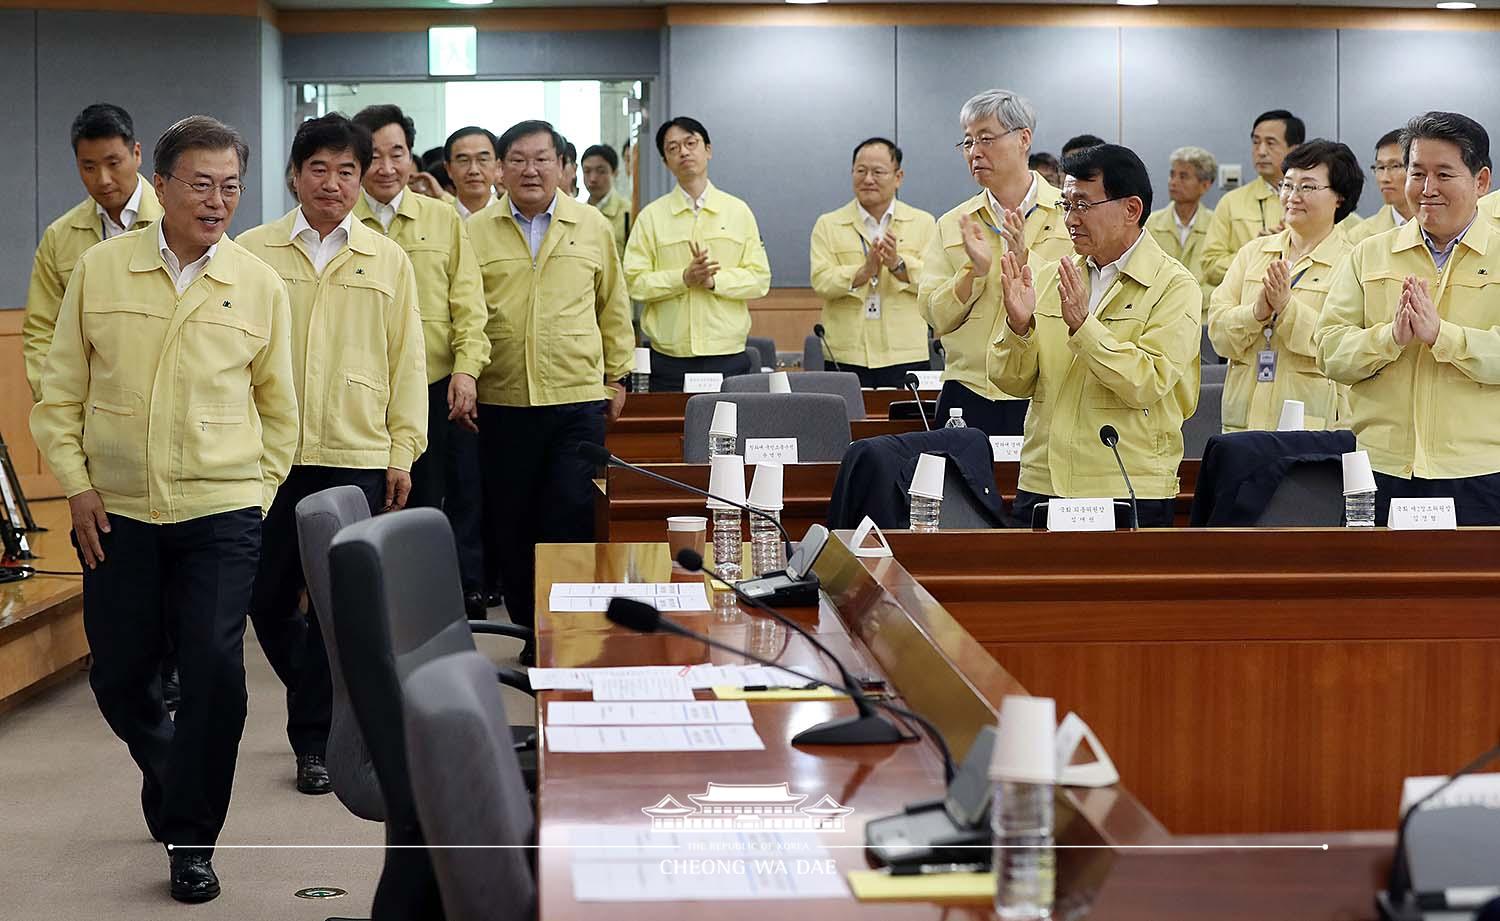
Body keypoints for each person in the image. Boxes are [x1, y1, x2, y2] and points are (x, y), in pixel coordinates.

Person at [30, 115, 299, 902]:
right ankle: (170, 762)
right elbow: (59, 391)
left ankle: (192, 840)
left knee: (217, 671)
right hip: (113, 509)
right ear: (166, 185)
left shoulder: (256, 282)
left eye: (231, 186)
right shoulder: (101, 271)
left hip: (221, 508)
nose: (218, 200)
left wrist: (255, 494)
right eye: (201, 183)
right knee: (118, 674)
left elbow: (280, 410)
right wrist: (76, 482)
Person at [236, 113, 427, 795]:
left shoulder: (387, 259)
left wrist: (402, 448)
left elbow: (409, 362)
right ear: (294, 174)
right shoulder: (251, 252)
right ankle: (335, 691)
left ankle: (314, 739)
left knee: (333, 604)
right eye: (320, 167)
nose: (335, 182)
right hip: (268, 452)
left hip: (354, 451)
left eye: (348, 169)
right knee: (262, 594)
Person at [467, 119, 633, 649]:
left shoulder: (591, 226)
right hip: (502, 399)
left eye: (542, 158)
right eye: (517, 159)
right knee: (512, 526)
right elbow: (464, 313)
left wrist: (617, 376)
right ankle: (530, 629)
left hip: (577, 400)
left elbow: (613, 306)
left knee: (569, 517)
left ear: (562, 166)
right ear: (499, 169)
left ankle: (564, 633)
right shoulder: (474, 231)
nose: (530, 170)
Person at [993, 144, 1201, 528]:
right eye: (1065, 205)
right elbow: (1011, 382)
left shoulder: (1174, 286)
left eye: (1083, 205)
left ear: (1131, 210)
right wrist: (1019, 329)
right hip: (1043, 478)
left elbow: (1148, 381)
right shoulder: (1051, 276)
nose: (1070, 219)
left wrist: (1083, 328)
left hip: (1126, 483)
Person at [1317, 111, 1500, 526]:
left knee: (1474, 592)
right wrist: (1389, 339)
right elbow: (1329, 352)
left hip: (1481, 471)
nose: (1427, 188)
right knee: (1377, 590)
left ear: (1481, 181)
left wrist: (1443, 337)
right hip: (1382, 470)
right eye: (1417, 173)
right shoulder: (1369, 253)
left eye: (1444, 174)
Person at [351, 104, 490, 616]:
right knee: (366, 502)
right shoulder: (341, 222)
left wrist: (466, 370)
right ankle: (372, 611)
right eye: (372, 156)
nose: (386, 167)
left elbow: (469, 307)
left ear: (412, 158)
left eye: (397, 154)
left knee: (425, 502)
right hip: (360, 392)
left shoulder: (443, 219)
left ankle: (423, 611)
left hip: (430, 388)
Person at [918, 88, 1074, 436]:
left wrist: (1024, 258)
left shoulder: (1069, 216)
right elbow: (933, 314)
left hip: (1048, 390)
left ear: (1024, 139)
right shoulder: (954, 223)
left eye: (986, 139)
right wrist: (974, 271)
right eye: (968, 142)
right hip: (970, 391)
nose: (975, 152)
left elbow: (1084, 298)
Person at [1208, 140, 1362, 432]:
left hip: (1314, 428)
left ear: (1339, 197)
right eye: (1287, 185)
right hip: (1243, 422)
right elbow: (1217, 332)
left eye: (1307, 187)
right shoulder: (1253, 253)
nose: (1292, 196)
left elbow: (1346, 347)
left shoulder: (1353, 262)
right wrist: (1255, 313)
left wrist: (1287, 309)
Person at [23, 103, 163, 402]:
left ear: (136, 154)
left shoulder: (175, 221)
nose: (102, 179)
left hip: (162, 402)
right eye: (89, 167)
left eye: (113, 163)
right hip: (91, 406)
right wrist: (55, 403)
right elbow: (41, 330)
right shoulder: (59, 237)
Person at [624, 116, 771, 391]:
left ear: (708, 150)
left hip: (727, 355)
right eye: (673, 148)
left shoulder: (738, 211)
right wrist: (683, 278)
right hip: (668, 359)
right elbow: (634, 282)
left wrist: (714, 281)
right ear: (665, 161)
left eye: (691, 142)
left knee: (732, 432)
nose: (683, 151)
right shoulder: (651, 217)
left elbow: (759, 279)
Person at [808, 137, 938, 388]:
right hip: (846, 353)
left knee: (908, 423)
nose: (868, 179)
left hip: (906, 352)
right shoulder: (828, 224)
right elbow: (821, 281)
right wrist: (863, 271)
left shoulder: (924, 223)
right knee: (847, 425)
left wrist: (897, 264)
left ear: (898, 176)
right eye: (861, 171)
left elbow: (934, 282)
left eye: (878, 172)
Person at [1201, 109, 1305, 286]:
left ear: (1294, 150)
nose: (1261, 151)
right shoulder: (1231, 202)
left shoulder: (1313, 199)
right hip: (1246, 306)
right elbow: (1209, 267)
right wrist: (1255, 252)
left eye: (1270, 143)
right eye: (1256, 143)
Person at [1145, 146, 1217, 316]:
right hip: (1158, 316)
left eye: (1183, 176)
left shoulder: (1217, 225)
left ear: (1205, 185)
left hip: (1205, 318)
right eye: (1172, 174)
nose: (1173, 182)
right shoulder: (1149, 224)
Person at [1347, 129, 1415, 244]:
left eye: (1395, 166)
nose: (1384, 178)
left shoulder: (1446, 228)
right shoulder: (1359, 237)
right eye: (1380, 167)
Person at [582, 142, 630, 259]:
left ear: (615, 173)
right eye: (587, 171)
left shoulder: (628, 212)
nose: (593, 178)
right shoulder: (578, 214)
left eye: (601, 171)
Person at [445, 126, 500, 219]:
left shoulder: (513, 218)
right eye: (463, 160)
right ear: (448, 169)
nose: (473, 170)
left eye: (483, 159)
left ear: (498, 166)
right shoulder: (437, 218)